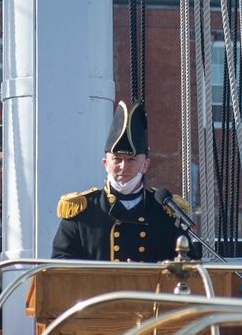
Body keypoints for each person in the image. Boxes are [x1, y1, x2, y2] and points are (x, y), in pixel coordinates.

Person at [51, 101, 195, 262]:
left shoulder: (165, 213)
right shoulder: (83, 212)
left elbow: (189, 264)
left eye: (131, 159)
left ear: (145, 165)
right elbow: (61, 264)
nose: (123, 166)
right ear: (105, 163)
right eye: (117, 159)